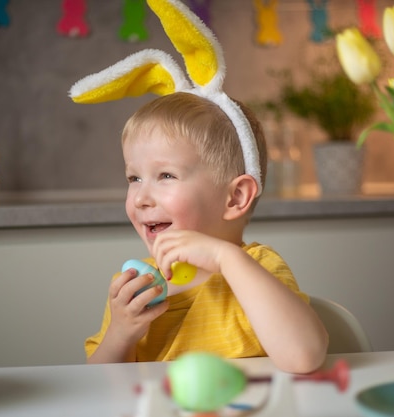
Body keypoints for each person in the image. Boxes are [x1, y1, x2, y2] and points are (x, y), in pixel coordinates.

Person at [70, 0, 328, 374]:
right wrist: (121, 334)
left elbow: (304, 357)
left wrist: (225, 257)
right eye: (133, 178)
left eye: (166, 176)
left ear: (235, 197)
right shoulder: (135, 285)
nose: (141, 197)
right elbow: (99, 386)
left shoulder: (258, 268)